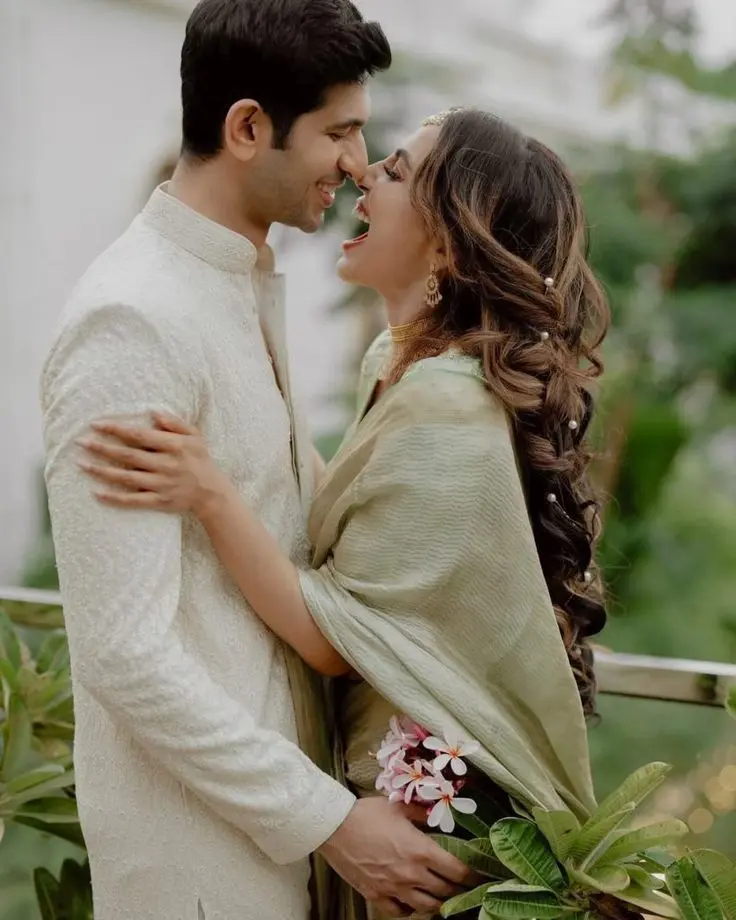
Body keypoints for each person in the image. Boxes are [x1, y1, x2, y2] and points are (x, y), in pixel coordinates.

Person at [77, 107, 611, 919]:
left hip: (436, 830)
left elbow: (336, 638)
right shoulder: (401, 366)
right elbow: (349, 508)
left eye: (396, 171)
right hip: (382, 794)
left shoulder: (448, 406)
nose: (364, 177)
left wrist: (210, 493)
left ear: (447, 241)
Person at [40, 2, 474, 918]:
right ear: (247, 128)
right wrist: (327, 820)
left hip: (278, 849)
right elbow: (124, 652)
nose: (357, 164)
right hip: (202, 870)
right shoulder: (134, 321)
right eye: (340, 132)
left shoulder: (230, 286)